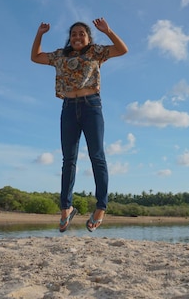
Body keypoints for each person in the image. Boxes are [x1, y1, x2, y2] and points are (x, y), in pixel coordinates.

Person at [31, 18, 128, 232]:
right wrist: (40, 34)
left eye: (81, 34)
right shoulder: (60, 55)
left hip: (91, 106)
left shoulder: (96, 52)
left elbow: (122, 50)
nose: (77, 37)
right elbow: (35, 57)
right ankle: (66, 208)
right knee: (69, 160)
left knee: (97, 156)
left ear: (88, 38)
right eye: (73, 34)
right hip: (68, 108)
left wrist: (108, 31)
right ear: (69, 38)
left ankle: (101, 208)